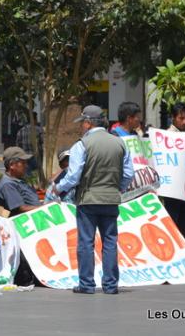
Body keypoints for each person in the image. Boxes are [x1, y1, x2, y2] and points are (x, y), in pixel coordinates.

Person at [53, 105, 133, 295]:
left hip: (88, 199)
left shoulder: (82, 144)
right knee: (110, 241)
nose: (81, 127)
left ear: (88, 123)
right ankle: (111, 285)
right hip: (111, 199)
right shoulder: (120, 143)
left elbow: (73, 177)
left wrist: (58, 187)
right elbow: (129, 174)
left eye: (82, 123)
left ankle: (87, 285)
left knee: (86, 243)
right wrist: (116, 188)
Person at [162, 101, 185, 244]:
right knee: (173, 224)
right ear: (173, 118)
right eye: (181, 118)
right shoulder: (167, 136)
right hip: (173, 191)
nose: (184, 121)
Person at [0, 147, 40, 216]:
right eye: (23, 163)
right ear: (11, 165)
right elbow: (21, 209)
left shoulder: (17, 179)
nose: (26, 166)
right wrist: (46, 207)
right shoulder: (8, 184)